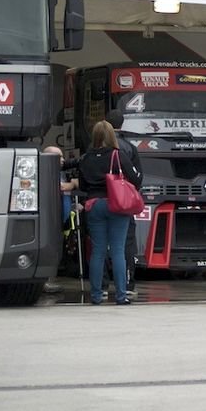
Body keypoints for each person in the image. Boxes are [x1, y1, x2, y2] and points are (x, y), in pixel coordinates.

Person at [77, 120, 141, 305]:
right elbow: (136, 179)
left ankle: (96, 296)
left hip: (94, 205)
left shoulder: (86, 158)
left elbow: (82, 186)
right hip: (117, 204)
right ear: (112, 136)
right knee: (118, 250)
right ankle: (121, 295)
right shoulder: (117, 155)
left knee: (98, 250)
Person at [107, 108, 143, 297]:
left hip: (100, 200)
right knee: (126, 243)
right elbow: (138, 177)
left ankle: (102, 285)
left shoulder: (96, 148)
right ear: (122, 124)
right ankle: (127, 284)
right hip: (122, 202)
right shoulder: (128, 147)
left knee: (101, 244)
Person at [41, 145, 77, 294]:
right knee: (49, 249)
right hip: (49, 218)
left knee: (58, 249)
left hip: (63, 216)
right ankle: (45, 281)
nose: (63, 160)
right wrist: (73, 184)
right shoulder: (45, 173)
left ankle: (51, 279)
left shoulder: (62, 173)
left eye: (62, 156)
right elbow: (61, 188)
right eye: (59, 157)